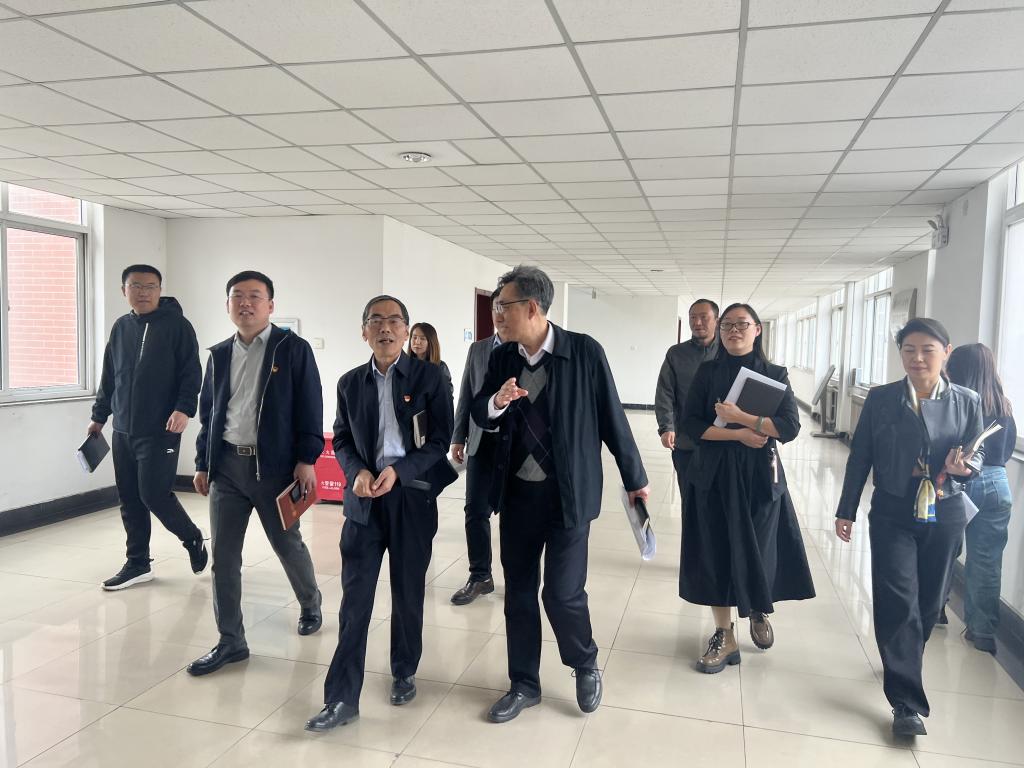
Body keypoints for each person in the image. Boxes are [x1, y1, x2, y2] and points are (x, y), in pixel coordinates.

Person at [470, 265, 649, 724]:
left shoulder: (583, 352)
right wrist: (497, 402)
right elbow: (480, 411)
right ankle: (523, 684)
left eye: (503, 307)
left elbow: (612, 418)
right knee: (519, 594)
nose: (496, 316)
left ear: (532, 307)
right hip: (517, 496)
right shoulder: (502, 358)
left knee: (563, 594)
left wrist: (635, 478)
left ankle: (584, 662)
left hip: (569, 496)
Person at [306, 294, 455, 732]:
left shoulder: (430, 377)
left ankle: (404, 670)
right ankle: (341, 698)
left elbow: (439, 440)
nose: (385, 328)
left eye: (393, 321)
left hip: (411, 499)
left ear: (407, 331)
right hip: (364, 502)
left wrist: (400, 471)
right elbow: (342, 438)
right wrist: (356, 471)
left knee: (408, 593)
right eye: (376, 320)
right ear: (363, 331)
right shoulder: (350, 383)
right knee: (355, 602)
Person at [835, 318, 984, 738]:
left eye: (927, 350)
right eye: (909, 350)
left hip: (945, 509)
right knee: (898, 598)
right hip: (892, 510)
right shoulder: (882, 399)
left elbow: (979, 453)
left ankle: (903, 656)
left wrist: (965, 468)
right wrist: (846, 509)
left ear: (946, 352)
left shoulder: (967, 401)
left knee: (929, 604)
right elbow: (860, 455)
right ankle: (906, 703)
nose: (917, 358)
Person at [187, 271, 324, 677]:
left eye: (254, 296)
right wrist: (202, 462)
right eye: (237, 297)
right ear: (228, 304)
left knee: (287, 545)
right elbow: (209, 414)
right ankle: (231, 640)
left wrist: (307, 458)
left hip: (275, 469)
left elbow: (310, 405)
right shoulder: (218, 354)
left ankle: (310, 603)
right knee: (224, 558)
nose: (245, 304)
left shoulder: (292, 349)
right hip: (227, 468)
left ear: (270, 306)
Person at [679, 302, 814, 675]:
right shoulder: (708, 372)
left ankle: (756, 608)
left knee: (759, 548)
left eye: (742, 324)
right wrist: (737, 433)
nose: (733, 331)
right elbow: (691, 424)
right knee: (716, 551)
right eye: (727, 325)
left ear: (757, 329)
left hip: (759, 477)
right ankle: (724, 634)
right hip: (714, 474)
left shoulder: (773, 374)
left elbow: (789, 427)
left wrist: (745, 418)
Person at [89, 264, 207, 590]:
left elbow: (191, 372)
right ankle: (138, 563)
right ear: (123, 290)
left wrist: (184, 409)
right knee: (129, 498)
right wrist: (99, 416)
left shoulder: (178, 326)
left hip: (160, 429)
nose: (143, 292)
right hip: (123, 430)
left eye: (150, 286)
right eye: (136, 286)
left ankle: (192, 537)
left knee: (154, 494)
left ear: (160, 290)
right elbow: (109, 376)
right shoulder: (121, 327)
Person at [946, 343, 1015, 654]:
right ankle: (983, 630)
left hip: (960, 481)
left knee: (944, 550)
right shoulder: (1004, 406)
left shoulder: (957, 404)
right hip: (997, 486)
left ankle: (935, 609)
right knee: (987, 561)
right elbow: (1006, 451)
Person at [449, 288, 502, 605]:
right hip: (481, 441)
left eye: (505, 307)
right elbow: (466, 393)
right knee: (475, 511)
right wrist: (458, 435)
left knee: (517, 515)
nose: (499, 313)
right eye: (496, 307)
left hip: (516, 447)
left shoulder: (527, 349)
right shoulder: (478, 349)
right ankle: (480, 575)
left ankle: (520, 579)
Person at [655, 298, 720, 506]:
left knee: (719, 503)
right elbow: (665, 392)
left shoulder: (728, 352)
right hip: (686, 442)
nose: (697, 322)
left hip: (723, 444)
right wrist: (666, 427)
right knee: (690, 501)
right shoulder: (676, 354)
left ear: (717, 320)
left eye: (704, 317)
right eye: (693, 317)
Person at [409, 321, 453, 397]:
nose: (417, 342)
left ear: (431, 342)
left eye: (422, 338)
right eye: (414, 337)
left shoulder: (441, 367)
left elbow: (447, 395)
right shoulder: (404, 365)